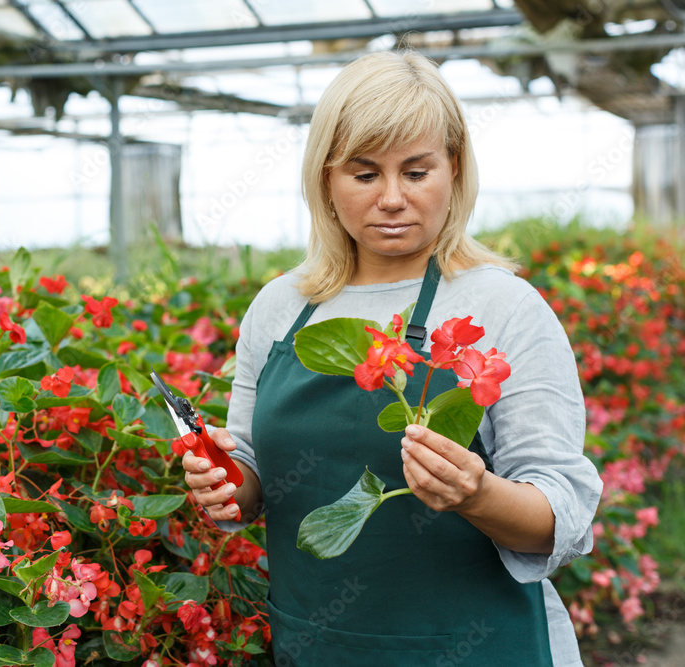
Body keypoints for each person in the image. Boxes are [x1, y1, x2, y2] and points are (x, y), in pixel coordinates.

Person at [182, 51, 602, 666]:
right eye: (364, 174)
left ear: (453, 170)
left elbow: (559, 514)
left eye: (416, 171)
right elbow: (253, 479)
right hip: (320, 644)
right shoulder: (280, 307)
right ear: (326, 177)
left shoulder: (505, 305)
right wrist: (221, 478)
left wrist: (476, 494)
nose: (392, 198)